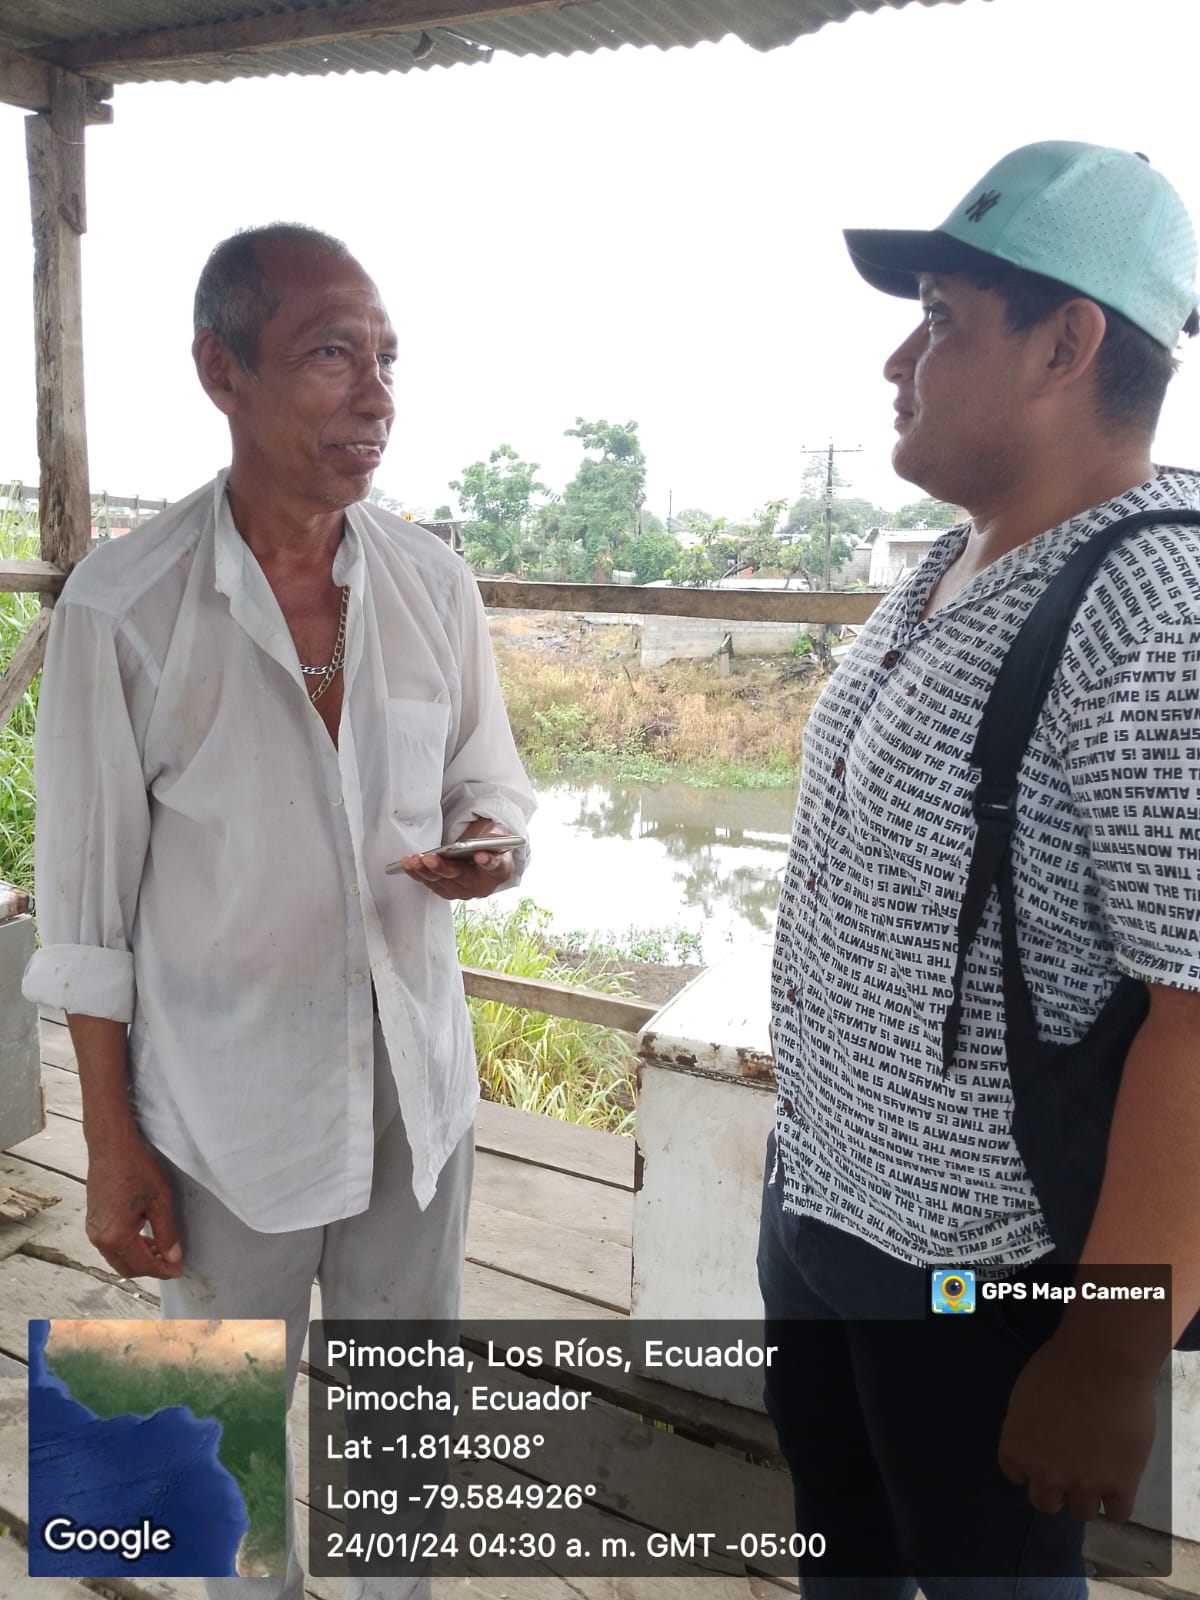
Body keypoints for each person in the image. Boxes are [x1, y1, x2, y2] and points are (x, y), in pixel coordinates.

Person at [23, 223, 536, 1599]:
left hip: (415, 1088)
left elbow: (491, 784)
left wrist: (491, 845)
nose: (376, 396)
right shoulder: (122, 609)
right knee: (211, 1442)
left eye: (387, 359)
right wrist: (111, 1145)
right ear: (222, 370)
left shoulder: (431, 582)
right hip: (217, 1107)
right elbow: (84, 917)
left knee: (403, 1423)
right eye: (329, 355)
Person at [758, 141, 1200, 1596]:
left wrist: (1112, 1348)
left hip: (972, 1275)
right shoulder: (957, 562)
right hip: (825, 1207)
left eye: (941, 320)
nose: (899, 359)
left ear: (1066, 344)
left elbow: (1199, 1015)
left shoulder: (1160, 609)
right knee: (846, 1559)